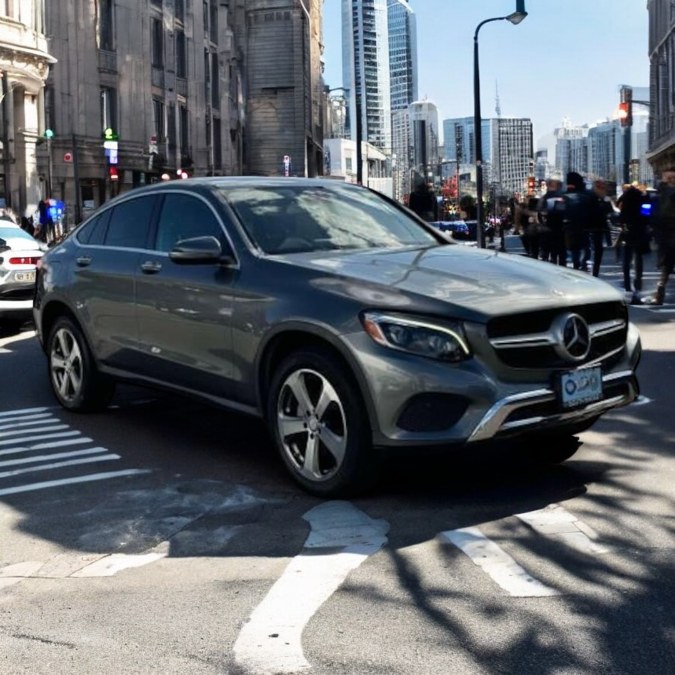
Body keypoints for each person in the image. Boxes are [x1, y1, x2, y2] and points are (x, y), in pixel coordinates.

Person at [617, 184, 650, 302]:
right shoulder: (643, 198)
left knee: (626, 260)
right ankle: (638, 285)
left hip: (628, 231)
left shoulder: (625, 198)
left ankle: (627, 286)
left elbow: (621, 214)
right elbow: (647, 213)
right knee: (638, 259)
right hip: (640, 230)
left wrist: (623, 224)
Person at [647, 167, 675, 305]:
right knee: (666, 267)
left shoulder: (659, 195)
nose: (671, 180)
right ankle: (659, 294)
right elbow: (649, 214)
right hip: (665, 235)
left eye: (673, 178)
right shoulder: (657, 196)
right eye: (668, 178)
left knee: (666, 267)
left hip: (666, 235)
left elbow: (649, 214)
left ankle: (659, 294)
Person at [562, 172, 593, 270]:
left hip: (569, 225)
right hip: (583, 225)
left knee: (574, 248)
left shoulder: (564, 196)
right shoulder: (586, 195)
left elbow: (561, 211)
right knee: (585, 246)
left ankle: (576, 265)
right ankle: (583, 263)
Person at [585, 180, 613, 277]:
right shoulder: (591, 198)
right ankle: (592, 271)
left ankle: (594, 272)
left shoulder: (601, 199)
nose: (602, 190)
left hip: (598, 228)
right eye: (600, 188)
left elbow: (609, 212)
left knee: (597, 251)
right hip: (593, 228)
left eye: (603, 188)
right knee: (594, 250)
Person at [537, 178, 565, 265]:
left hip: (549, 228)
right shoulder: (562, 197)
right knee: (561, 253)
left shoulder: (544, 198)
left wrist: (542, 222)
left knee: (550, 252)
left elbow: (539, 212)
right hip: (560, 228)